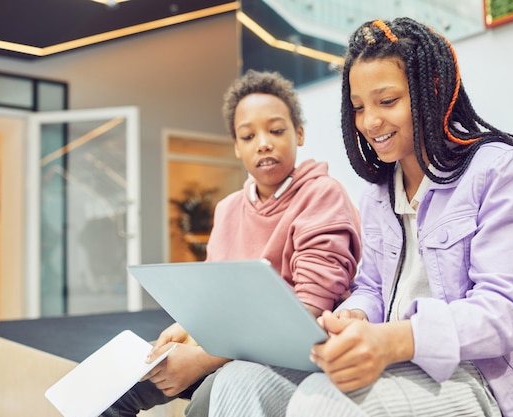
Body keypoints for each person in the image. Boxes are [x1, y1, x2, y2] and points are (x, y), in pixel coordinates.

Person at [207, 17, 513, 417]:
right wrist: (355, 315)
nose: (369, 122)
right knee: (238, 381)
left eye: (387, 102)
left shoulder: (499, 170)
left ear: (430, 92)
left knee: (325, 403)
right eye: (359, 107)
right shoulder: (379, 194)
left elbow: (507, 312)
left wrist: (394, 340)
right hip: (398, 362)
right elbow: (372, 287)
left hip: (484, 377)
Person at [100, 69, 362, 417]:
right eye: (248, 136)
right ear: (237, 147)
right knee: (116, 383)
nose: (263, 143)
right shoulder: (228, 209)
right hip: (229, 347)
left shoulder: (323, 195)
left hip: (293, 356)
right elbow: (217, 301)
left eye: (276, 130)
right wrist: (187, 328)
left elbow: (305, 315)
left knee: (211, 400)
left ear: (299, 134)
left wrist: (201, 360)